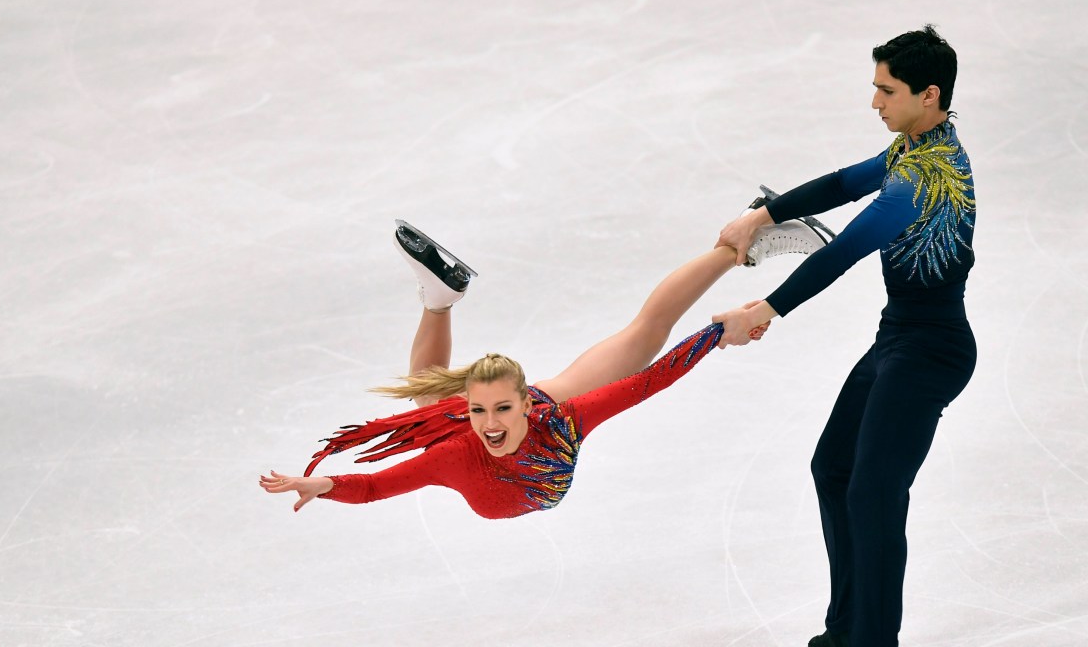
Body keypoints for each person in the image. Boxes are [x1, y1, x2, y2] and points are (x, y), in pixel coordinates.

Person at [710, 25, 975, 647]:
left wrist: (764, 309)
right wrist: (763, 213)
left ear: (929, 95)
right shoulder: (909, 148)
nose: (874, 102)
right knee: (835, 467)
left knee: (875, 490)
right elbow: (839, 184)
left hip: (932, 351)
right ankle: (853, 627)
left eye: (886, 91)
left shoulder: (929, 176)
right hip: (901, 339)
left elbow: (850, 246)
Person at [260, 218, 825, 518]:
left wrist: (717, 333)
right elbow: (377, 486)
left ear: (529, 401)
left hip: (552, 406)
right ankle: (437, 299)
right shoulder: (460, 446)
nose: (489, 423)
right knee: (432, 410)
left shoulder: (563, 417)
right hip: (489, 429)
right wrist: (323, 484)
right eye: (479, 410)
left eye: (502, 407)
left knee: (645, 336)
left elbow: (654, 378)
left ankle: (744, 239)